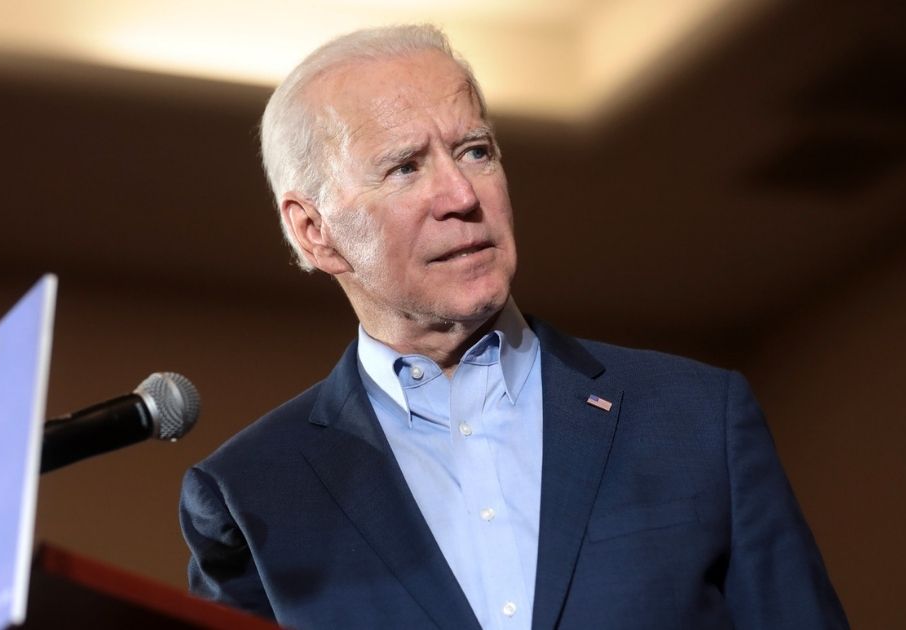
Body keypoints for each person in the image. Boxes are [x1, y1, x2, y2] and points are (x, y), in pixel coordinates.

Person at [179, 24, 848, 630]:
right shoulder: (253, 494)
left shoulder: (695, 420)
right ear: (314, 230)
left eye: (474, 151)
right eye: (407, 167)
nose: (463, 197)